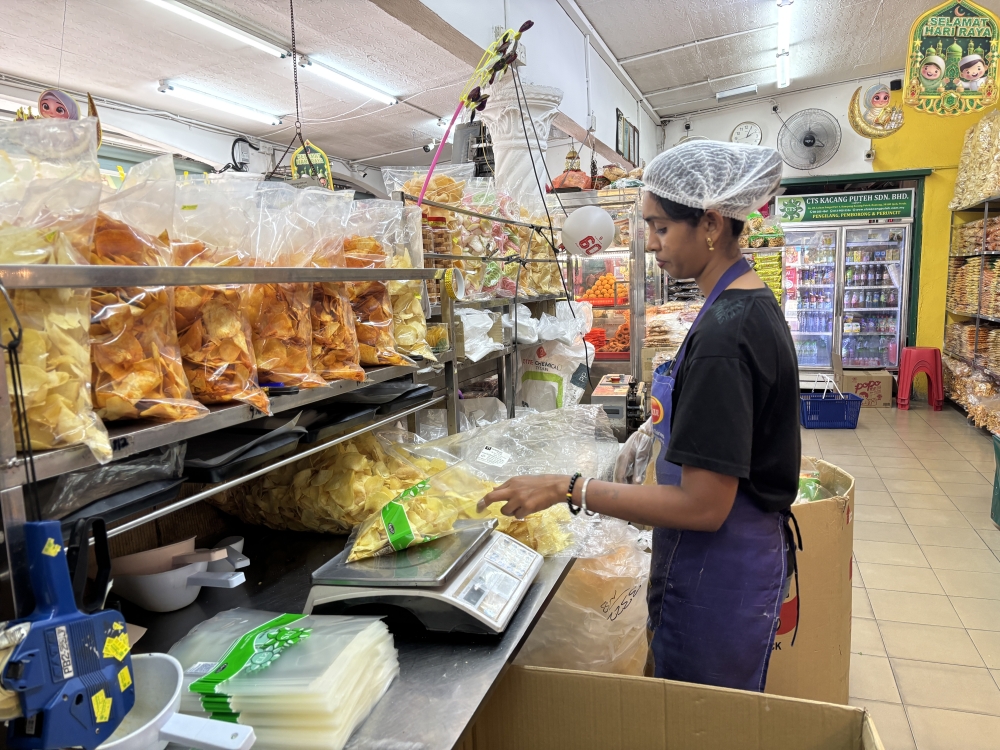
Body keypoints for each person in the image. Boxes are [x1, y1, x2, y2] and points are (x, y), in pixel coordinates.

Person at [479, 140, 801, 692]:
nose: (650, 245)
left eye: (660, 228)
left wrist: (570, 486)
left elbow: (703, 505)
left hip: (717, 574)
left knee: (701, 727)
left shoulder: (726, 334)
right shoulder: (745, 305)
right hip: (732, 560)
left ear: (711, 224)